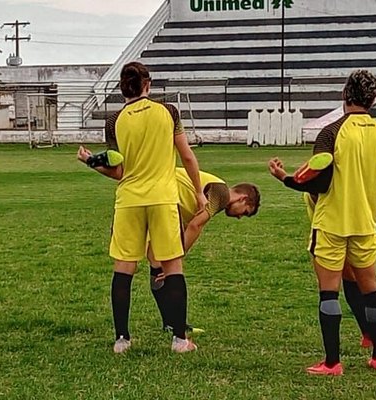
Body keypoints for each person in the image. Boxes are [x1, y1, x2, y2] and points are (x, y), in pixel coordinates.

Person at [268, 69, 376, 375]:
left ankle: (332, 363)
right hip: (364, 224)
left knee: (329, 293)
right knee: (371, 289)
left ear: (344, 94)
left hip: (332, 223)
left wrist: (285, 179)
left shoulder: (330, 133)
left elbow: (319, 183)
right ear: (373, 100)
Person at [77, 61, 207, 353]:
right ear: (148, 84)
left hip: (129, 200)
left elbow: (118, 170)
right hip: (162, 198)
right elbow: (186, 156)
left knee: (124, 267)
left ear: (123, 87)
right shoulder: (168, 112)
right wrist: (198, 192)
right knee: (172, 266)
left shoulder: (114, 121)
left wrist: (89, 162)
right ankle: (180, 339)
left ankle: (122, 339)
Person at [271, 162, 376, 349]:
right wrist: (289, 178)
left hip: (345, 222)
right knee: (344, 281)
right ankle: (367, 338)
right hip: (331, 219)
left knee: (353, 277)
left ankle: (370, 336)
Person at [149, 168, 260, 332]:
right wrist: (177, 258)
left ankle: (170, 323)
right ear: (243, 198)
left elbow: (190, 223)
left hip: (156, 196)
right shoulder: (221, 194)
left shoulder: (215, 191)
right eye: (244, 212)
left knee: (156, 264)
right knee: (168, 268)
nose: (239, 217)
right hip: (162, 194)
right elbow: (195, 225)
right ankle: (178, 325)